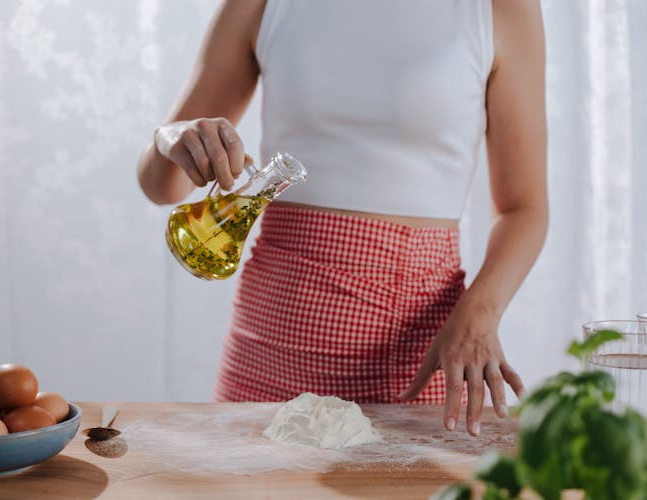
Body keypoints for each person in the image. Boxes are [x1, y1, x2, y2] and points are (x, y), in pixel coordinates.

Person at [137, 0, 547, 437]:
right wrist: (171, 138)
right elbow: (162, 187)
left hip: (418, 354)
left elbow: (525, 208)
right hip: (272, 340)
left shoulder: (501, 8)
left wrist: (480, 315)